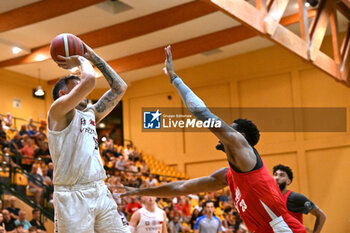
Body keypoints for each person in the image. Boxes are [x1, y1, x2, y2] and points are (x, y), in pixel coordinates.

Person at [119, 46, 306, 233]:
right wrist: (139, 191)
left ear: (240, 136)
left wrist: (175, 79)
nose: (223, 132)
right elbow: (181, 187)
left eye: (229, 128)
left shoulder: (243, 149)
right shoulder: (229, 175)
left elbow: (201, 112)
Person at [47, 41, 129, 233]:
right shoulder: (57, 111)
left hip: (99, 189)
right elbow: (90, 80)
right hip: (72, 194)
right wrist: (80, 59)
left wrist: (92, 55)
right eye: (76, 86)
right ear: (63, 94)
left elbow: (120, 87)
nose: (83, 91)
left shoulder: (91, 114)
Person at [273, 164, 326, 233]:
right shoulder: (271, 198)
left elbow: (321, 216)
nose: (277, 178)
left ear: (288, 181)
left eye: (281, 175)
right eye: (275, 174)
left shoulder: (295, 197)